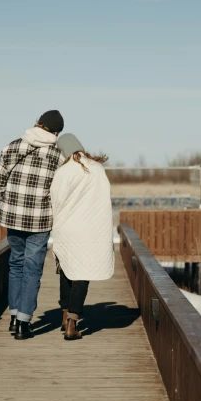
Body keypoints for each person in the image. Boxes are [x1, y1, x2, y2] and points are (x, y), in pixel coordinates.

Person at [0, 110, 64, 340]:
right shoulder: (58, 156)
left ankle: (13, 318)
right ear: (55, 132)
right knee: (32, 269)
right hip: (40, 219)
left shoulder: (11, 147)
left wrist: (9, 203)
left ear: (37, 124)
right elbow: (60, 191)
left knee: (16, 264)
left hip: (12, 216)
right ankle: (24, 323)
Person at [50, 134, 114, 340]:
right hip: (90, 229)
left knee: (66, 270)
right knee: (82, 273)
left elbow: (56, 201)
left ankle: (63, 315)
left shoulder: (63, 171)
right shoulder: (97, 169)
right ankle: (72, 323)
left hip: (67, 229)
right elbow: (104, 200)